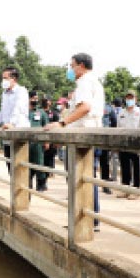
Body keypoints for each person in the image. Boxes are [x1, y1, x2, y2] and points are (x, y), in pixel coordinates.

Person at [44, 53, 104, 230]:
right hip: (85, 132)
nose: (70, 70)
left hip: (83, 134)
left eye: (72, 66)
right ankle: (85, 218)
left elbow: (85, 107)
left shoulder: (85, 81)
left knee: (82, 177)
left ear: (82, 66)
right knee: (83, 177)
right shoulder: (91, 81)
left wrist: (62, 123)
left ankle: (88, 220)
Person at [0, 67, 30, 170]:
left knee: (21, 168)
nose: (3, 81)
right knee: (10, 166)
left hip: (19, 132)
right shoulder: (5, 93)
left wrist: (12, 123)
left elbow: (18, 108)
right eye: (2, 78)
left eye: (6, 78)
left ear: (14, 79)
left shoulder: (21, 91)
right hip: (7, 133)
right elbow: (3, 111)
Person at [116, 90, 140, 199]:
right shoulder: (121, 113)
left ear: (135, 99)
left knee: (136, 168)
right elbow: (118, 128)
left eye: (131, 98)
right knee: (125, 168)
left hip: (136, 144)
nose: (129, 100)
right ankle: (125, 189)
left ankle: (136, 190)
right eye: (127, 98)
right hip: (124, 144)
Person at [28, 92, 49, 191]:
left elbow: (46, 126)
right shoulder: (23, 112)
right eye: (33, 98)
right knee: (27, 164)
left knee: (39, 163)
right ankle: (28, 184)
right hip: (26, 143)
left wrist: (47, 141)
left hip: (38, 144)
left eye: (36, 98)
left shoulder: (41, 112)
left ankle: (41, 184)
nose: (35, 100)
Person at [99, 101, 118, 194]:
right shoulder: (108, 108)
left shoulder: (108, 108)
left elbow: (114, 122)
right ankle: (102, 185)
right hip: (99, 138)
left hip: (103, 139)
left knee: (104, 163)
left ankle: (105, 185)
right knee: (103, 163)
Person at [42, 96, 59, 177]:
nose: (46, 102)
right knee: (43, 157)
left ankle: (50, 171)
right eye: (45, 100)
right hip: (41, 138)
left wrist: (56, 140)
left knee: (50, 156)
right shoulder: (39, 112)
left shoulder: (54, 113)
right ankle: (43, 172)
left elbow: (57, 126)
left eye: (48, 100)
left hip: (51, 138)